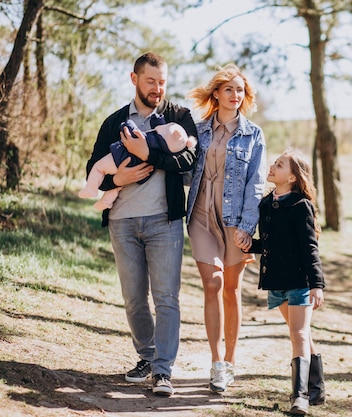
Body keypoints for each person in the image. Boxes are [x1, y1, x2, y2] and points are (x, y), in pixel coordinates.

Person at [84, 52, 197, 397]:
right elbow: (94, 168)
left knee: (166, 298)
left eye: (162, 82)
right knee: (134, 298)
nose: (157, 88)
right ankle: (146, 358)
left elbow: (189, 159)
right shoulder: (114, 121)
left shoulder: (180, 116)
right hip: (122, 222)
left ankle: (164, 370)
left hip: (165, 222)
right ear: (134, 79)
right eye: (150, 81)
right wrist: (117, 176)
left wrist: (149, 155)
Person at [186, 63, 266, 393]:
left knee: (231, 289)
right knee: (212, 284)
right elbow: (180, 167)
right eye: (229, 89)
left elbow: (257, 183)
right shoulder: (197, 129)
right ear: (216, 94)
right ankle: (217, 361)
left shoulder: (254, 134)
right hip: (202, 216)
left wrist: (248, 227)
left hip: (235, 220)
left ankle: (230, 362)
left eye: (240, 91)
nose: (235, 95)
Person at [244, 149, 326, 415]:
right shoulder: (267, 203)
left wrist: (317, 284)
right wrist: (250, 244)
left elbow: (309, 248)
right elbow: (270, 243)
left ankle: (299, 396)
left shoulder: (301, 206)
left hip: (300, 281)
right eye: (274, 163)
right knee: (300, 331)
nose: (272, 166)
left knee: (298, 334)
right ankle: (317, 388)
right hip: (276, 281)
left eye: (279, 165)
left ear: (292, 177)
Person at [79, 119, 196, 210]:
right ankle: (106, 201)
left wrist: (127, 125)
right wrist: (116, 180)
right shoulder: (166, 146)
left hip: (121, 158)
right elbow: (162, 129)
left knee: (98, 168)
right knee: (120, 185)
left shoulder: (152, 137)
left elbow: (135, 133)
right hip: (142, 172)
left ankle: (91, 189)